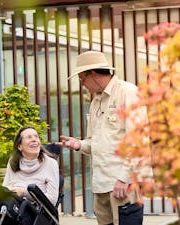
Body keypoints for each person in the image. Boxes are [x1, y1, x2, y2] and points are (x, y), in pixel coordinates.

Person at [59, 51, 153, 225]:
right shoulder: (96, 101)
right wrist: (79, 144)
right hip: (100, 185)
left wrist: (125, 178)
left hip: (122, 184)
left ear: (93, 74)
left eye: (82, 79)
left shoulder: (128, 93)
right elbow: (96, 142)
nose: (82, 85)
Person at [0, 125, 60, 224]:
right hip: (10, 203)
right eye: (29, 137)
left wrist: (24, 192)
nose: (35, 139)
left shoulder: (50, 164)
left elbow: (51, 201)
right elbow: (5, 188)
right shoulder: (13, 162)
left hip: (29, 211)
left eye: (36, 136)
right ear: (19, 146)